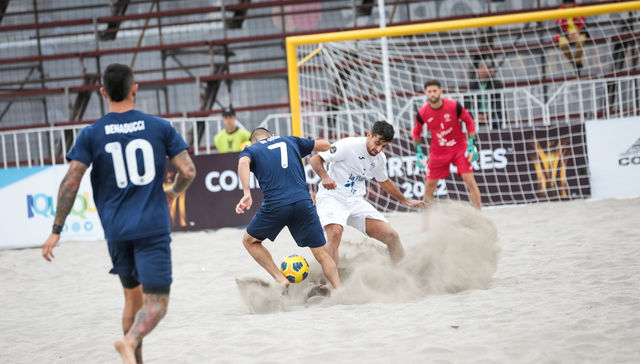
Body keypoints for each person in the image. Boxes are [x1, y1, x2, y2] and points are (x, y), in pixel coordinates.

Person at [41, 63, 196, 364]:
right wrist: (173, 192)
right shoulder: (159, 126)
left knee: (132, 299)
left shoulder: (92, 133)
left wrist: (56, 229)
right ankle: (130, 341)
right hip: (151, 227)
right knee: (157, 304)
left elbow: (71, 181)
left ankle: (132, 359)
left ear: (102, 92)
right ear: (135, 88)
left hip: (116, 230)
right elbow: (188, 171)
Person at [235, 127, 342, 289]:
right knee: (322, 253)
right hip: (303, 203)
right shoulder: (290, 140)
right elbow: (326, 145)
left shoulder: (251, 149)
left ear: (253, 141)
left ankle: (280, 278)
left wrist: (246, 192)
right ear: (272, 136)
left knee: (249, 241)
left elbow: (243, 162)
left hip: (276, 205)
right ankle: (340, 290)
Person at [309, 121, 426, 266]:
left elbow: (384, 181)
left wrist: (406, 201)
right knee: (335, 233)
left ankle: (404, 270)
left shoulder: (379, 159)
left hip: (355, 201)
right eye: (377, 143)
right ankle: (331, 283)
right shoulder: (348, 145)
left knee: (392, 236)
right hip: (332, 197)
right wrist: (325, 177)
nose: (379, 149)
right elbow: (315, 159)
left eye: (384, 146)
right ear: (369, 135)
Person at [412, 79, 482, 210]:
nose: (432, 94)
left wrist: (472, 143)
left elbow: (469, 121)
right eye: (429, 91)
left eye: (435, 91)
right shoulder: (422, 112)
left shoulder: (454, 106)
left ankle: (479, 215)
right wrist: (419, 152)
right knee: (429, 186)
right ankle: (425, 223)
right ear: (425, 94)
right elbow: (416, 132)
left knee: (470, 181)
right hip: (438, 152)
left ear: (440, 92)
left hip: (459, 147)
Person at [466, 62, 503, 129]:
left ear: (489, 72)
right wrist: (476, 114)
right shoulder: (473, 85)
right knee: (466, 121)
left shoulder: (496, 84)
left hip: (492, 113)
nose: (482, 72)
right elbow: (468, 103)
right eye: (480, 70)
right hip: (477, 113)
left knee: (496, 120)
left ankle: (495, 137)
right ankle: (472, 139)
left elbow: (498, 103)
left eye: (484, 70)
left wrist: (488, 114)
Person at [554, 0, 588, 73]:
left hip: (578, 33)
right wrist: (568, 34)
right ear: (563, 4)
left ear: (573, 3)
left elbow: (584, 23)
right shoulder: (559, 11)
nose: (568, 5)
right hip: (565, 34)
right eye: (566, 3)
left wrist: (578, 32)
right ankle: (574, 62)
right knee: (563, 44)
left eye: (570, 3)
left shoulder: (578, 10)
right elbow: (558, 27)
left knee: (581, 40)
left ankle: (576, 62)